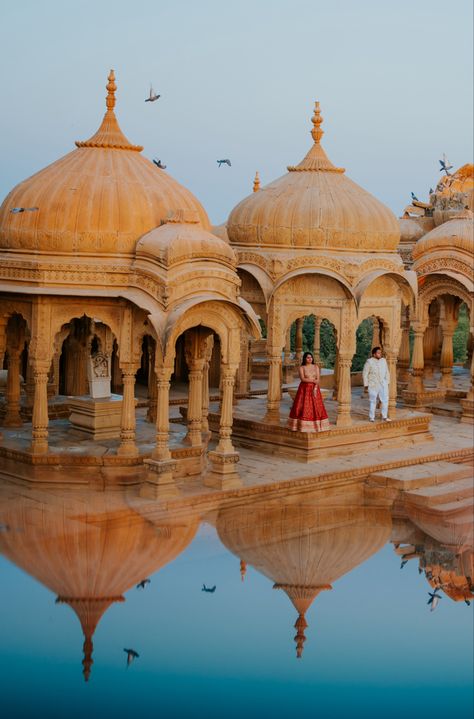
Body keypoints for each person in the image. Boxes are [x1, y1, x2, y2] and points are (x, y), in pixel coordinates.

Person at [288, 351, 330, 432]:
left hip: (314, 388)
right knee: (303, 405)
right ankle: (301, 425)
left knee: (316, 405)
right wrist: (313, 381)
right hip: (304, 389)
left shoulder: (316, 367)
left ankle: (316, 425)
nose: (310, 359)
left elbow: (318, 378)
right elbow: (303, 379)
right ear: (305, 359)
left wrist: (315, 383)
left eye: (311, 357)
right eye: (308, 357)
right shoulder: (302, 368)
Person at [362, 346, 391, 422]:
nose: (380, 354)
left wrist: (387, 382)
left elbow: (387, 372)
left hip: (382, 384)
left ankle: (384, 416)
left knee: (385, 400)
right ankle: (372, 417)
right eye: (378, 353)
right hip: (373, 384)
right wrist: (366, 385)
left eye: (380, 353)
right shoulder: (369, 362)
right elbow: (365, 374)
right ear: (374, 354)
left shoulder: (383, 361)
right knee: (373, 401)